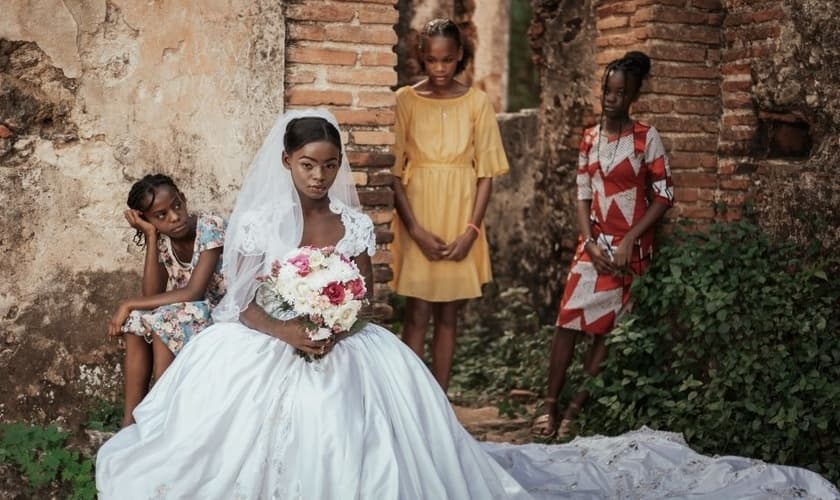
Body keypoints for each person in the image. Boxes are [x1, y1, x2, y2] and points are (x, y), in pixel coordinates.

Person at [95, 110, 839, 500]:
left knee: (375, 435)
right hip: (268, 339)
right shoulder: (259, 222)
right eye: (306, 165)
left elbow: (365, 293)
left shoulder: (353, 222)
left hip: (341, 341)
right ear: (285, 164)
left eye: (329, 165)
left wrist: (333, 324)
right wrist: (292, 331)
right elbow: (245, 303)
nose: (319, 177)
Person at [532, 51, 674, 440]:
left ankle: (575, 409)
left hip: (629, 251)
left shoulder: (647, 137)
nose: (610, 98)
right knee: (567, 322)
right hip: (592, 248)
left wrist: (628, 241)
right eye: (607, 90)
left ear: (632, 96)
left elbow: (663, 195)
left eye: (620, 92)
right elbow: (581, 193)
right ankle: (550, 406)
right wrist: (589, 242)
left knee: (608, 332)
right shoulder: (589, 137)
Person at [391, 18, 509, 391]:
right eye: (432, 61)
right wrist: (415, 230)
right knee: (416, 314)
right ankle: (410, 403)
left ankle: (439, 403)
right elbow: (394, 174)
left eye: (447, 60)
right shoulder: (404, 101)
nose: (440, 69)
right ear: (421, 57)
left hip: (461, 219)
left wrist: (471, 233)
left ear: (460, 56)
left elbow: (486, 174)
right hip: (418, 216)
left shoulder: (477, 103)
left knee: (448, 316)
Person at [108, 174, 226, 427]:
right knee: (136, 320)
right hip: (189, 313)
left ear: (182, 199)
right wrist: (151, 236)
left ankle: (162, 415)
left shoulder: (210, 227)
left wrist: (127, 303)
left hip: (223, 312)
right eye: (160, 216)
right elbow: (152, 295)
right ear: (146, 219)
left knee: (162, 318)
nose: (174, 216)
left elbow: (194, 292)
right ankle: (129, 420)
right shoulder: (163, 242)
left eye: (176, 205)